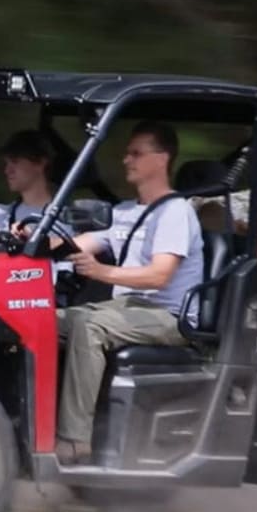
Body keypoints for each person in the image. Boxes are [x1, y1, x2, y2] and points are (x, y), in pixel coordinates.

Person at [29, 120, 205, 465]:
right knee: (37, 319)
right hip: (128, 308)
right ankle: (32, 420)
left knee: (89, 327)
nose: (127, 160)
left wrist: (102, 271)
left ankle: (75, 440)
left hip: (168, 316)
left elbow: (159, 276)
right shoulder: (125, 212)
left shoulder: (175, 212)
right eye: (127, 153)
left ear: (162, 159)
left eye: (136, 153)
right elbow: (77, 244)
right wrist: (34, 242)